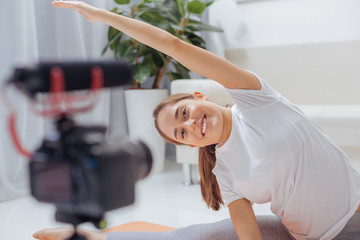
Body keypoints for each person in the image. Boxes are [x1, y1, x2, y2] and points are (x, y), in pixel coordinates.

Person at [33, 1, 360, 240]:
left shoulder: (256, 100)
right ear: (190, 144)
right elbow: (248, 233)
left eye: (184, 113)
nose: (189, 125)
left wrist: (103, 16)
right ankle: (97, 238)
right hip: (303, 236)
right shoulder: (225, 172)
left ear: (200, 98)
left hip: (354, 219)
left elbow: (172, 45)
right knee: (202, 235)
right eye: (181, 132)